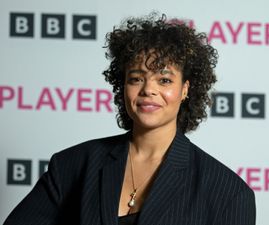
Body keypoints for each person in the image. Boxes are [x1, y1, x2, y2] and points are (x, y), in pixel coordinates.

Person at [4, 13, 256, 225]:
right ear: (122, 86)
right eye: (136, 78)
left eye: (164, 80)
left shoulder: (228, 192)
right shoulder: (72, 165)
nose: (148, 89)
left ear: (186, 90)